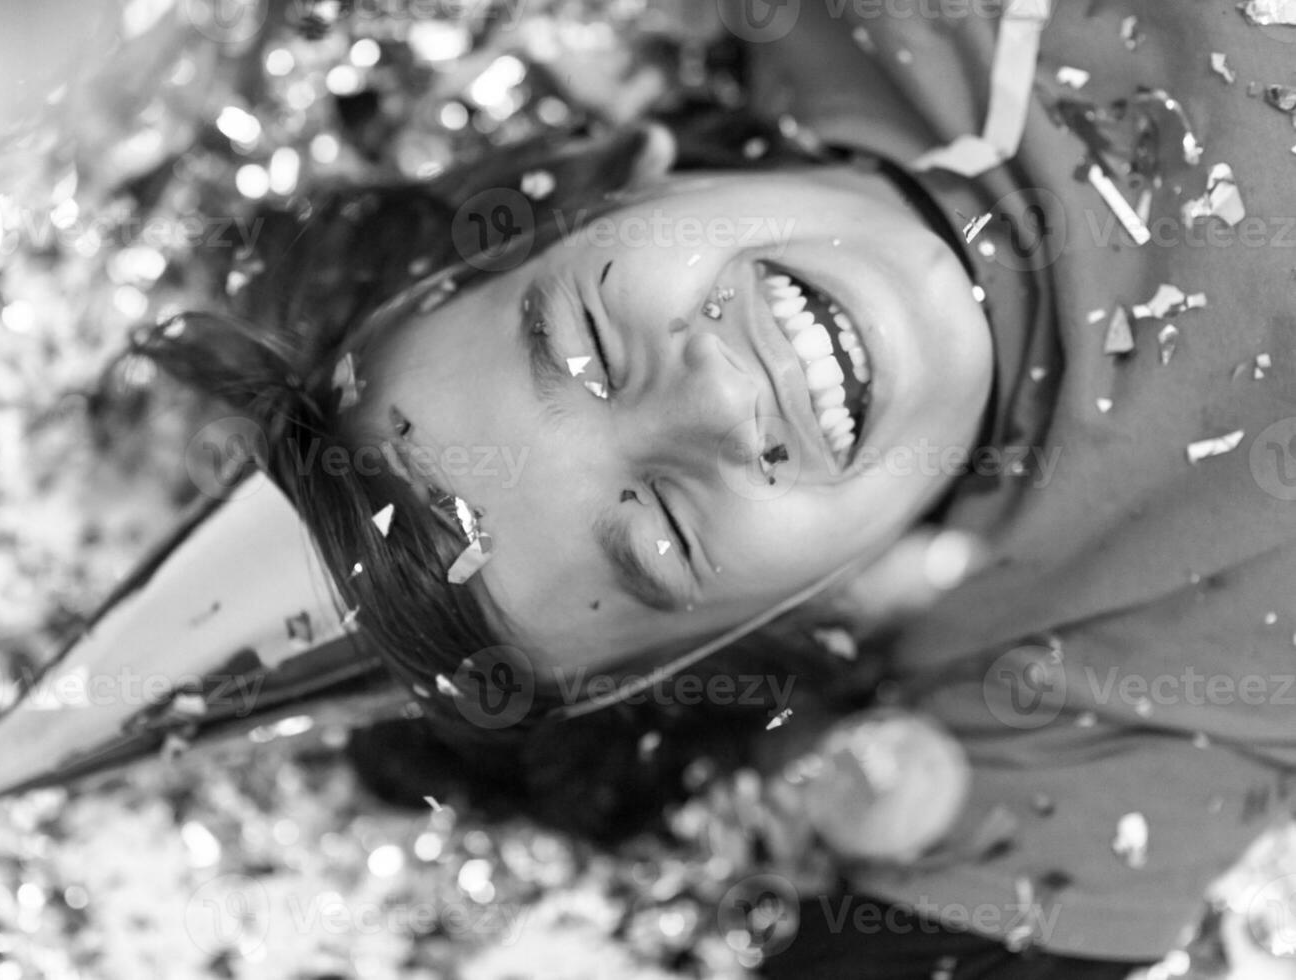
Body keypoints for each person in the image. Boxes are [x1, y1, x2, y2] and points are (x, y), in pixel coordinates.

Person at [141, 1, 1296, 976]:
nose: (710, 401)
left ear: (620, 184)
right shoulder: (1079, 682)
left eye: (587, 342)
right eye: (665, 533)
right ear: (796, 619)